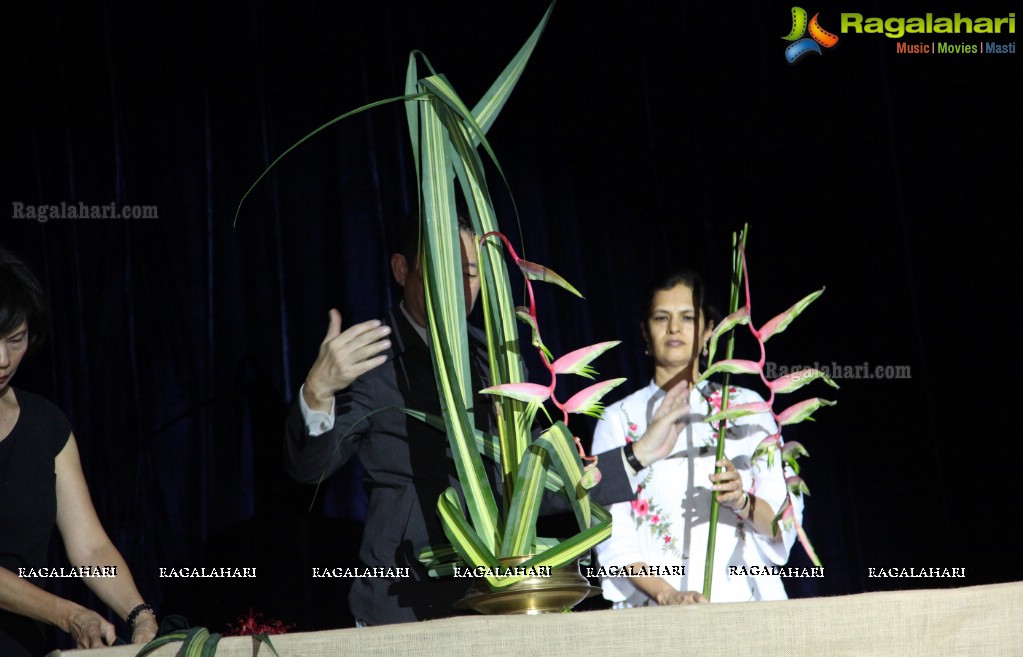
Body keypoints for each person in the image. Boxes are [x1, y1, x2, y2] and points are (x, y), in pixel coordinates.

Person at [285, 215, 693, 625]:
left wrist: (637, 455)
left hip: (494, 600)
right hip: (403, 603)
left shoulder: (495, 358)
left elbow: (535, 481)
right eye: (443, 267)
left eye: (470, 272)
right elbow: (309, 469)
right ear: (401, 269)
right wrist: (318, 392)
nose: (459, 285)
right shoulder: (371, 357)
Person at [593, 270, 801, 606]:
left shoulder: (747, 408)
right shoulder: (619, 418)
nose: (674, 328)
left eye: (687, 317)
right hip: (659, 610)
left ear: (708, 331)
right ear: (645, 331)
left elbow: (783, 524)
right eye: (662, 317)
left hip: (745, 602)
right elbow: (612, 536)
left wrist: (741, 500)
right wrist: (670, 596)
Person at [0, 247, 157, 657]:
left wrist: (139, 615)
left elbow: (90, 547)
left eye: (16, 340)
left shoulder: (47, 425)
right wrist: (70, 615)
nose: (3, 360)